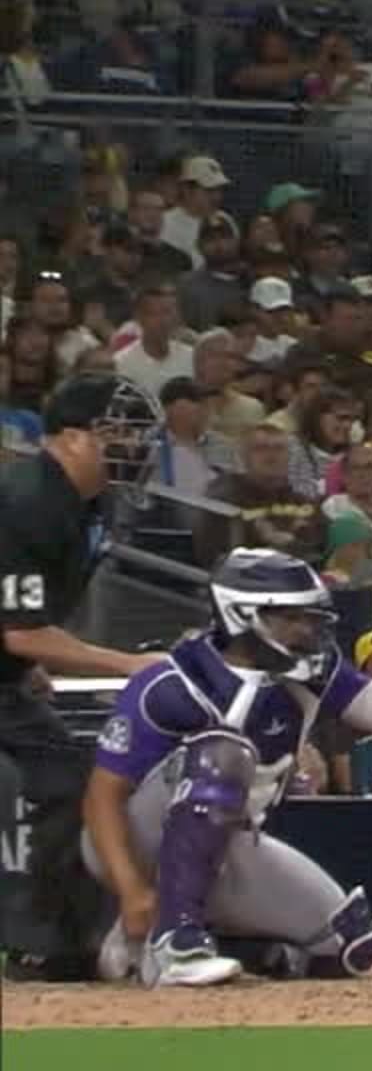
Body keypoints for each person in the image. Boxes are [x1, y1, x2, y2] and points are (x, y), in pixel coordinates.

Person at [80, 549, 372, 987]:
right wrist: (131, 890)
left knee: (349, 943)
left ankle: (193, 946)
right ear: (242, 615)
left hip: (230, 841)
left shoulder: (310, 671)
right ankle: (175, 942)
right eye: (291, 618)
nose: (306, 630)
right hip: (138, 838)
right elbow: (102, 797)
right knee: (222, 754)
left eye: (310, 617)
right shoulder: (170, 684)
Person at [0, 375, 167, 979]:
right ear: (72, 437)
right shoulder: (25, 500)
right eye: (118, 432)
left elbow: (21, 624)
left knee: (71, 780)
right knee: (57, 779)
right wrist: (128, 664)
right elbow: (20, 630)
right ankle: (42, 941)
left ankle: (57, 943)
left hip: (8, 680)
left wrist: (28, 664)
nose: (134, 445)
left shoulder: (91, 503)